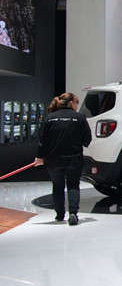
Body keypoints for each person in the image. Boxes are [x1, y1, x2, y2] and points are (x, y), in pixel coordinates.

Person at [35, 92, 92, 225]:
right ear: (71, 102)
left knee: (57, 186)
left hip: (53, 160)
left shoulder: (49, 118)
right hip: (74, 158)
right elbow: (87, 139)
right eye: (77, 103)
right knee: (73, 185)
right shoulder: (79, 118)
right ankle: (73, 213)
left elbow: (42, 140)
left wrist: (40, 156)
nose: (77, 106)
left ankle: (59, 214)